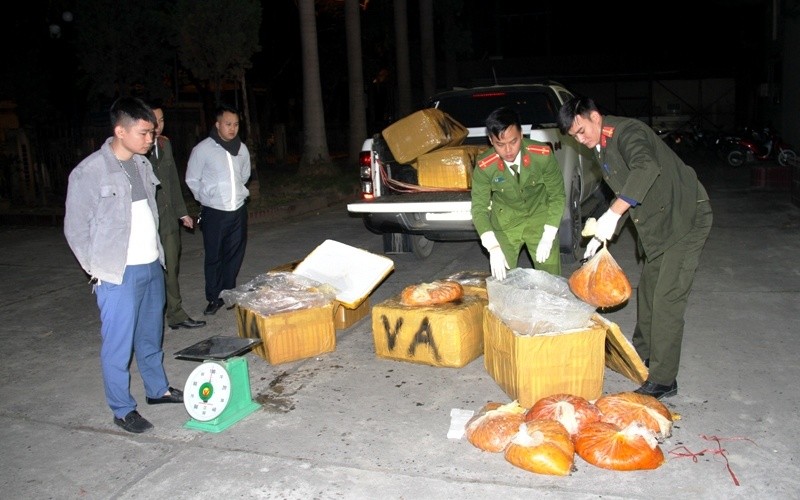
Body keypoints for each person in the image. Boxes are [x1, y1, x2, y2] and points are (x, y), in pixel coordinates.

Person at [556, 96, 713, 400]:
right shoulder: (599, 147)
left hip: (686, 216)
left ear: (595, 116)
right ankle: (640, 355)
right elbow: (629, 191)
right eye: (574, 136)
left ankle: (664, 379)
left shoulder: (628, 134)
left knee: (667, 298)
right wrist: (602, 233)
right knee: (649, 289)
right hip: (660, 221)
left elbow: (645, 168)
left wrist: (612, 214)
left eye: (581, 131)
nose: (580, 140)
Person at [64, 97, 184, 434]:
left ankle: (157, 390)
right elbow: (75, 228)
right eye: (145, 133)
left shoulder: (143, 165)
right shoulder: (89, 172)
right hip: (117, 272)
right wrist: (96, 269)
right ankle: (122, 408)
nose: (151, 139)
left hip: (150, 264)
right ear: (120, 130)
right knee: (118, 344)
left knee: (150, 337)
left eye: (152, 132)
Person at [471, 106, 565, 280]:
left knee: (551, 280)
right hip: (506, 222)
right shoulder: (485, 166)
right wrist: (492, 246)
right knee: (503, 280)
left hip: (540, 217)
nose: (508, 150)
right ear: (491, 141)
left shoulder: (542, 155)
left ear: (522, 135)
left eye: (513, 142)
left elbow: (557, 196)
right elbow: (479, 209)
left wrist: (549, 233)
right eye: (500, 144)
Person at [186, 103, 251, 315]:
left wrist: (237, 192)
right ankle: (214, 297)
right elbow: (192, 179)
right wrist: (207, 197)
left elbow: (244, 175)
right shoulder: (203, 149)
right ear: (217, 124)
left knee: (234, 255)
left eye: (236, 124)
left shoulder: (241, 149)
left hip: (238, 210)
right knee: (214, 256)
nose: (232, 128)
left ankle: (228, 293)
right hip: (214, 212)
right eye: (228, 124)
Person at [147, 104, 206, 330]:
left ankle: (176, 314)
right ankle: (151, 320)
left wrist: (182, 212)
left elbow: (171, 180)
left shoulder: (165, 144)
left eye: (161, 120)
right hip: (146, 222)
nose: (158, 125)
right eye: (153, 120)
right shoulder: (135, 150)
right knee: (150, 274)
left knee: (171, 268)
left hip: (168, 219)